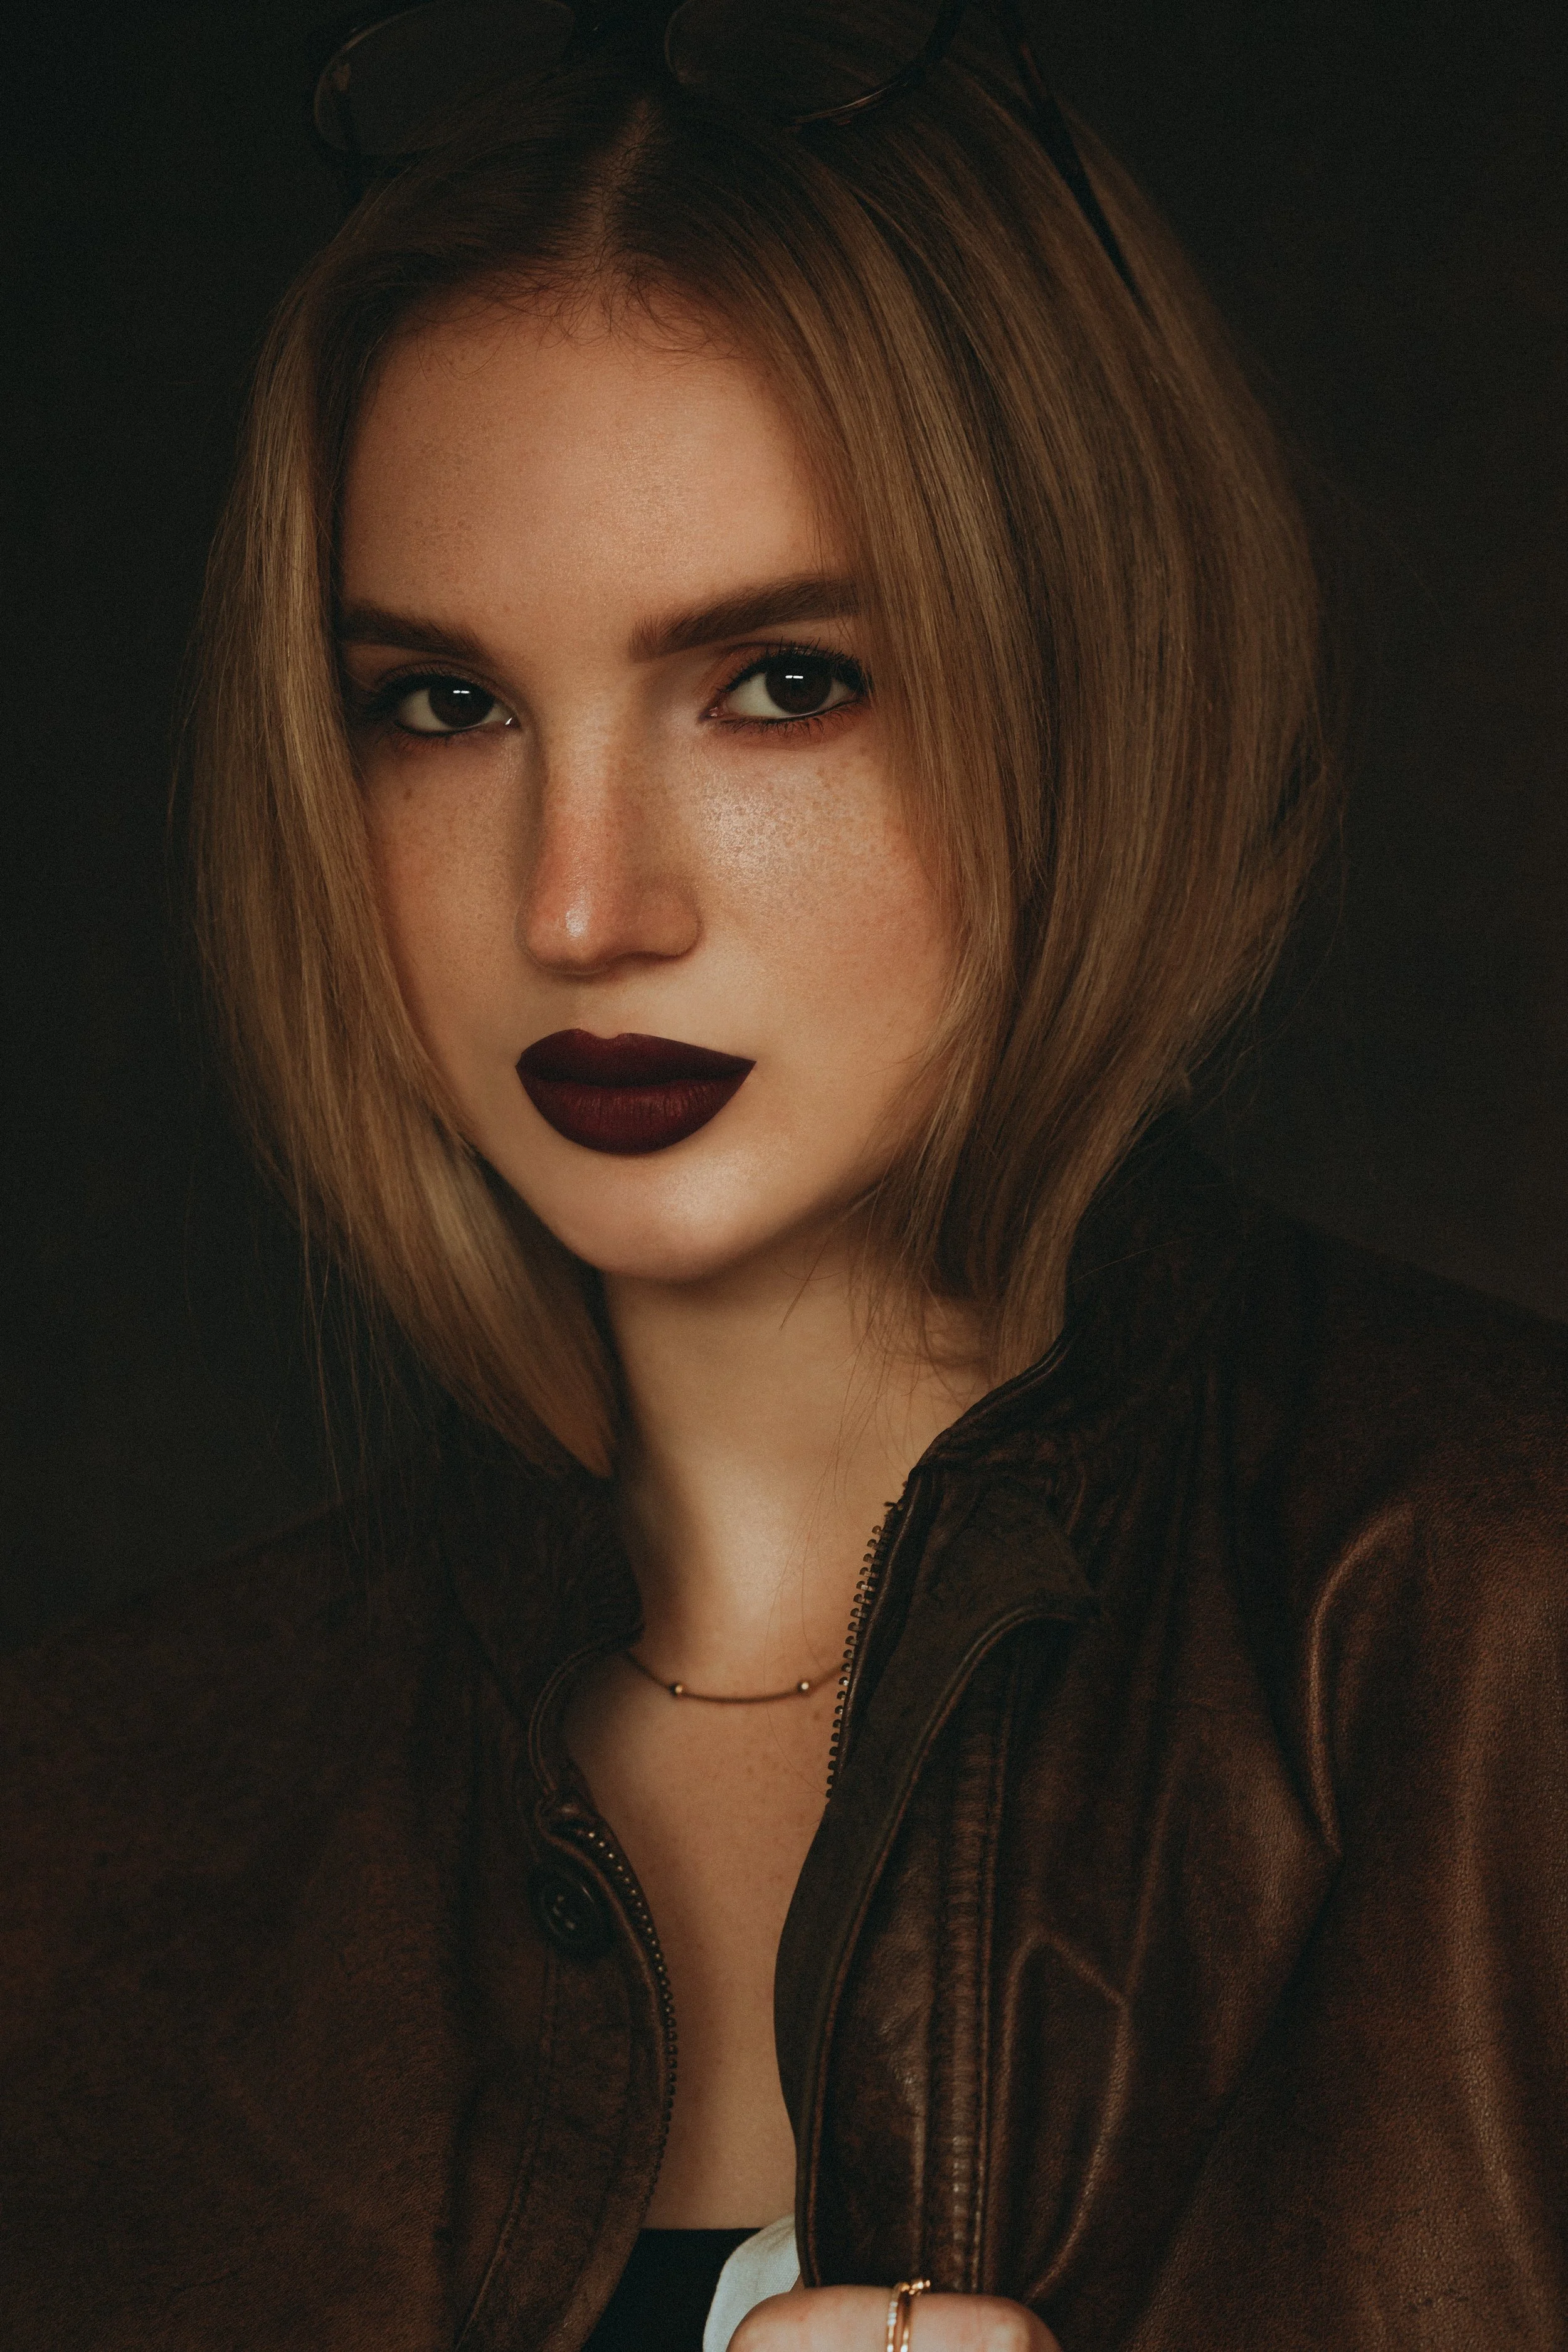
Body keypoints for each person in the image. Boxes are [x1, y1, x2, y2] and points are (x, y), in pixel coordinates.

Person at [3, 4, 1565, 2347]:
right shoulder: (89, 1826)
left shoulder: (1500, 1647)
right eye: (444, 704)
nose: (578, 904)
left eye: (781, 682)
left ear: (1089, 686)